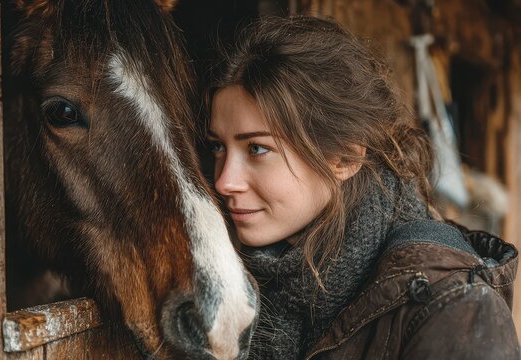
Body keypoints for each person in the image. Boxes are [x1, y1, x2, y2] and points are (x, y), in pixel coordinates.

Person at [205, 16, 519, 359]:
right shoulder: (223, 282)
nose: (224, 181)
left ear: (344, 159)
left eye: (257, 149)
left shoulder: (452, 309)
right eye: (218, 147)